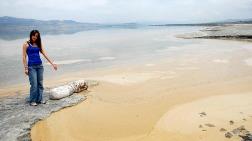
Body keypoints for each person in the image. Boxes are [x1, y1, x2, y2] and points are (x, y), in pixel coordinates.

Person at [22, 30, 57, 106]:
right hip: (31, 67)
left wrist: (52, 63)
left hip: (40, 66)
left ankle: (39, 99)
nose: (35, 37)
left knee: (40, 84)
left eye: (37, 36)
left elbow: (44, 54)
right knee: (34, 84)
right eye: (34, 35)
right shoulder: (26, 44)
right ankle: (32, 100)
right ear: (31, 35)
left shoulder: (38, 44)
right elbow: (24, 57)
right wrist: (25, 68)